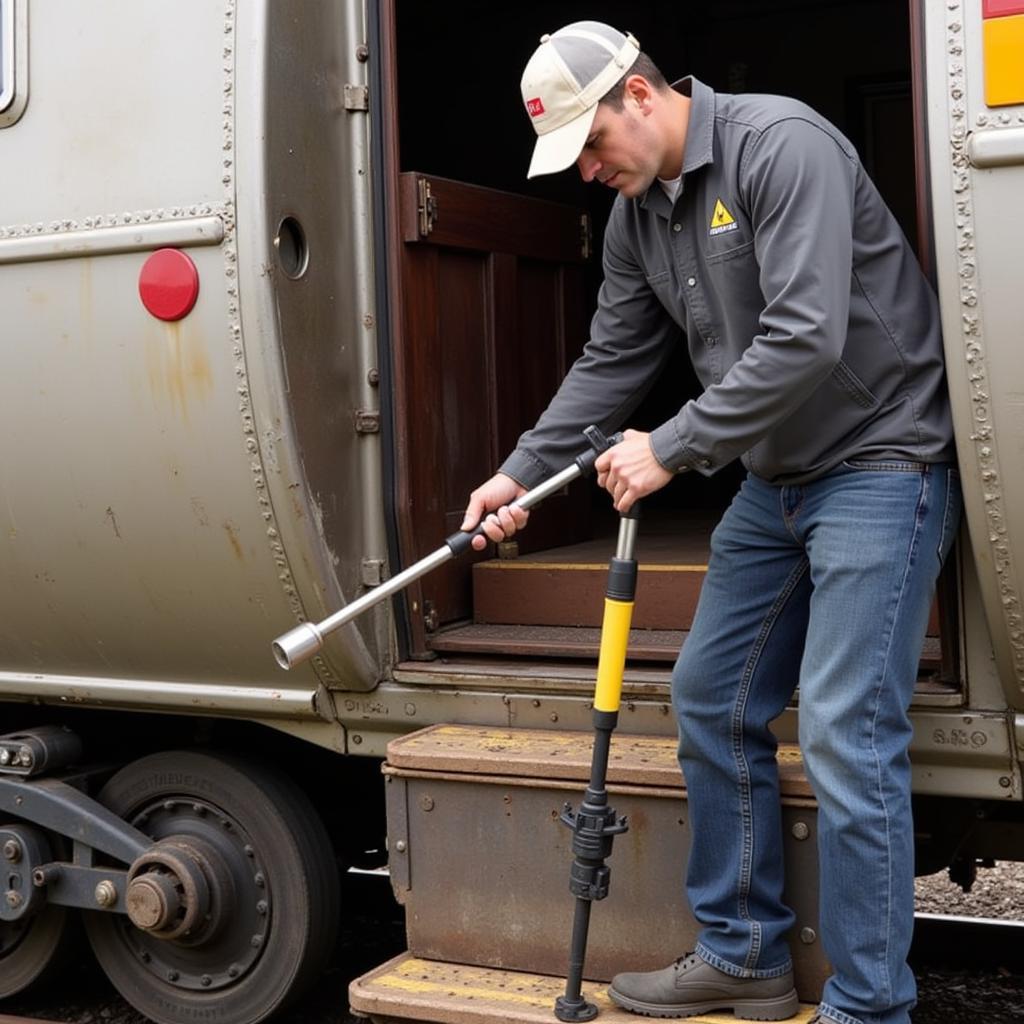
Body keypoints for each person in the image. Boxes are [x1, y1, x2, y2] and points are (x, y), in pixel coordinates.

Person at [461, 20, 961, 1024]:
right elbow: (610, 363)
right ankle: (744, 958)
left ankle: (870, 1007)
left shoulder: (785, 147)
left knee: (841, 732)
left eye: (590, 145)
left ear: (638, 97)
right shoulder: (638, 217)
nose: (588, 171)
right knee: (710, 698)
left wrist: (671, 447)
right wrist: (521, 472)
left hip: (878, 464)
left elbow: (806, 336)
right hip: (774, 481)